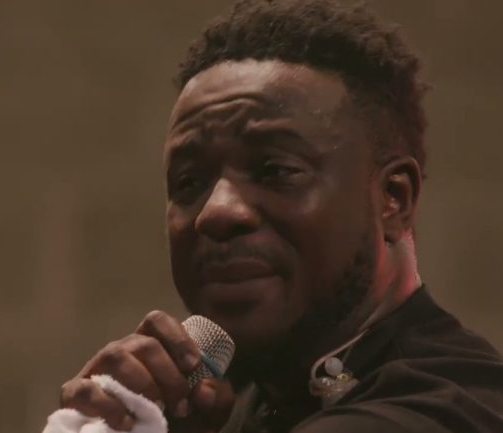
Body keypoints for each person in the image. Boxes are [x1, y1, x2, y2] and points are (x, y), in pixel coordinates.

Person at [57, 0, 503, 432]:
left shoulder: (453, 407)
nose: (216, 212)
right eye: (190, 182)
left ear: (394, 198)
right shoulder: (214, 404)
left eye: (275, 171)